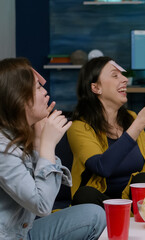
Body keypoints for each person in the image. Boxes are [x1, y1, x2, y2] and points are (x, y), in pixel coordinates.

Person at [68, 56, 145, 208]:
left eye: (122, 75)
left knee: (144, 179)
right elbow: (102, 167)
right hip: (103, 207)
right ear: (96, 88)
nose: (124, 80)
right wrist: (138, 125)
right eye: (115, 75)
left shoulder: (131, 118)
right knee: (85, 194)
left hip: (138, 205)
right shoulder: (79, 127)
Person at [0, 58, 106, 240]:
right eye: (38, 88)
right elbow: (42, 205)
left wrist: (40, 140)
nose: (46, 93)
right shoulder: (3, 149)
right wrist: (47, 146)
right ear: (19, 98)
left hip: (24, 231)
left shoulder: (21, 135)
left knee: (94, 215)